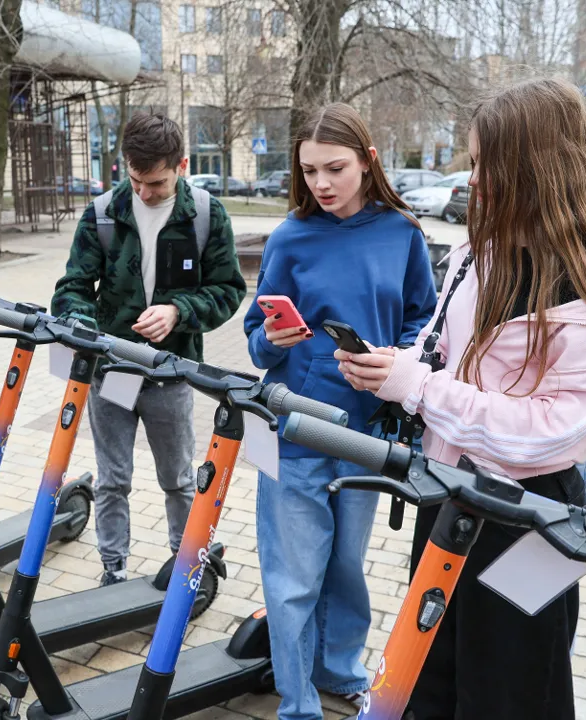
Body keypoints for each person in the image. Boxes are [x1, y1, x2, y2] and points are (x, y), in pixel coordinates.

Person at [339, 77, 586, 719]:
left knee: (513, 692)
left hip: (534, 522)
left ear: (534, 167)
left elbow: (548, 434)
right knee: (425, 673)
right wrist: (391, 370)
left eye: (485, 162)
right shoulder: (474, 255)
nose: (473, 178)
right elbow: (436, 354)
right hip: (447, 495)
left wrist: (420, 389)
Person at [242, 103, 437, 720]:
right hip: (291, 429)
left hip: (366, 435)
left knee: (347, 570)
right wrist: (271, 339)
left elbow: (423, 324)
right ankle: (298, 704)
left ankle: (341, 673)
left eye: (335, 168)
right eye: (309, 170)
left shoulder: (402, 233)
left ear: (367, 162)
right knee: (293, 579)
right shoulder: (290, 235)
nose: (322, 184)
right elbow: (253, 334)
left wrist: (399, 359)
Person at [51, 112, 246, 586]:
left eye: (156, 182)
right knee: (113, 478)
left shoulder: (204, 214)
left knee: (178, 479)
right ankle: (112, 569)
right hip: (112, 372)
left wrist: (179, 311)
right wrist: (81, 325)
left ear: (180, 164)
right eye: (135, 180)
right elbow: (72, 288)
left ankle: (186, 568)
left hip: (170, 374)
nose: (144, 193)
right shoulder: (102, 213)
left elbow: (228, 290)